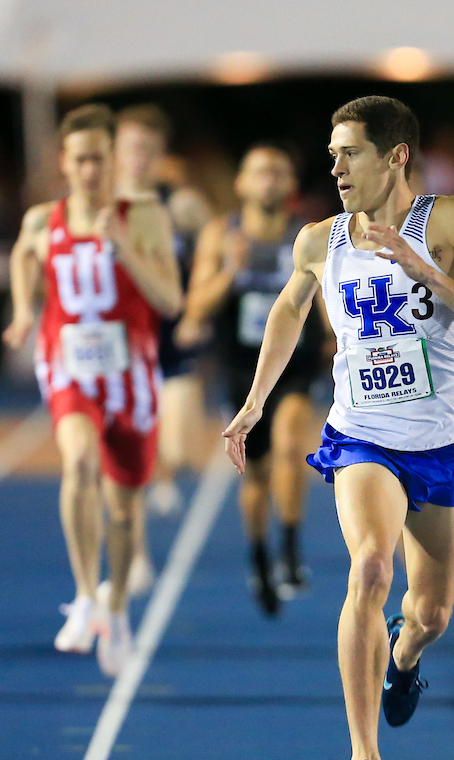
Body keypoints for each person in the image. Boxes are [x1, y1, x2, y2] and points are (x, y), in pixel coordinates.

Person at [222, 96, 454, 760]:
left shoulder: (452, 219)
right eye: (330, 153)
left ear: (395, 155)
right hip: (363, 434)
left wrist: (422, 269)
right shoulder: (318, 239)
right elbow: (291, 306)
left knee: (432, 614)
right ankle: (364, 759)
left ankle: (406, 656)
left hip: (445, 441)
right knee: (370, 565)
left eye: (349, 152)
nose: (334, 166)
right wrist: (258, 399)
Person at [4, 104, 182, 677]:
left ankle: (119, 611)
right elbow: (22, 254)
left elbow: (170, 301)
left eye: (98, 159)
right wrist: (21, 310)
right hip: (69, 367)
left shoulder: (146, 216)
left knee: (125, 512)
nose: (89, 170)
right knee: (78, 464)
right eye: (78, 159)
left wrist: (123, 244)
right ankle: (84, 596)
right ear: (64, 162)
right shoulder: (42, 220)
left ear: (113, 161)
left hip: (131, 377)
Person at [177, 143, 325, 616]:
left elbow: (325, 301)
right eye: (260, 172)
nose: (269, 181)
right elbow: (196, 308)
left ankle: (290, 546)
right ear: (241, 183)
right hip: (242, 368)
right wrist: (230, 269)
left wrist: (340, 343)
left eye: (278, 172)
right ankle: (260, 556)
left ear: (291, 185)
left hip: (297, 363)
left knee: (290, 446)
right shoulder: (222, 234)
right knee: (255, 474)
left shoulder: (306, 237)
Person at [115, 105, 213, 522]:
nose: (140, 158)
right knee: (121, 455)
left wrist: (199, 309)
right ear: (116, 151)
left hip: (172, 338)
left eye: (148, 149)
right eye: (132, 148)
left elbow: (216, 254)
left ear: (161, 154)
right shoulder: (99, 207)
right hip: (118, 342)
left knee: (176, 448)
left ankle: (164, 474)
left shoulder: (182, 205)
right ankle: (132, 553)